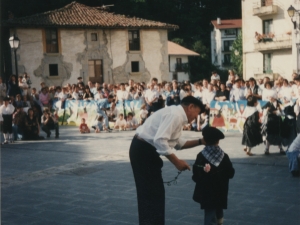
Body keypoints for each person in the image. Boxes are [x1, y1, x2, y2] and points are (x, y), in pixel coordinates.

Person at [129, 96, 205, 224]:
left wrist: (200, 141)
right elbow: (160, 140)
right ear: (190, 106)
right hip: (143, 151)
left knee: (153, 193)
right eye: (197, 113)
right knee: (151, 194)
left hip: (144, 150)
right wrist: (177, 162)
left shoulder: (176, 114)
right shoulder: (176, 115)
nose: (196, 117)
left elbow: (178, 143)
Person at [192, 127, 235, 225]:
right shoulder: (224, 156)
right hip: (220, 190)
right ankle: (220, 222)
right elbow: (231, 173)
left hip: (207, 192)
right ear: (218, 141)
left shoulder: (201, 155)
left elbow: (196, 174)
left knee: (209, 212)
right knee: (219, 207)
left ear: (205, 140)